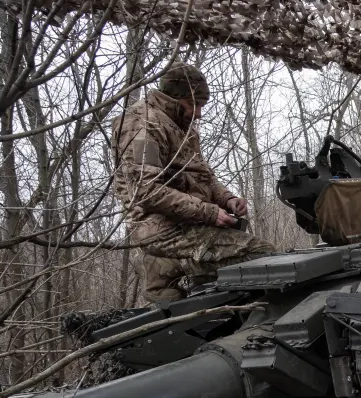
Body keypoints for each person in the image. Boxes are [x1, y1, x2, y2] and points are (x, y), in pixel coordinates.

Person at [112, 63, 276, 303]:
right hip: (164, 229)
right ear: (174, 98)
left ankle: (174, 276)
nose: (198, 113)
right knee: (263, 257)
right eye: (194, 104)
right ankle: (173, 263)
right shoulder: (142, 124)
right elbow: (145, 191)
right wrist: (209, 212)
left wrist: (227, 199)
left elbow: (204, 177)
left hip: (189, 223)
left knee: (252, 258)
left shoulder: (180, 126)